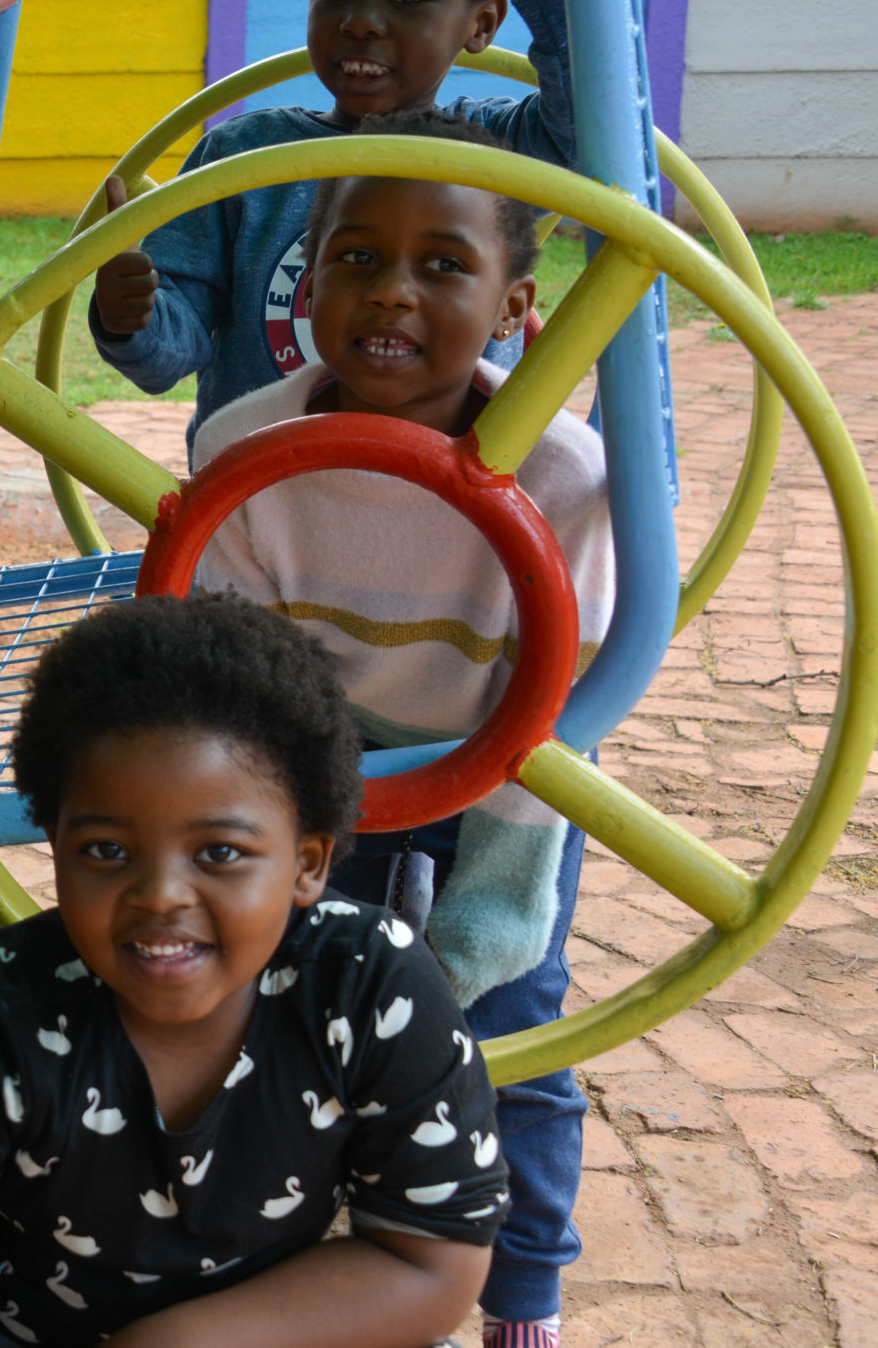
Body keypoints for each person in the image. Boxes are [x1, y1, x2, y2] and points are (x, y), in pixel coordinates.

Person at [0, 594, 506, 1348]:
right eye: (106, 850)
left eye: (220, 852)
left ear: (308, 863)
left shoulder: (369, 986)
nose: (161, 895)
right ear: (56, 845)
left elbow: (430, 1260)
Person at [191, 110, 611, 1348]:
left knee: (508, 1025)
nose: (392, 291)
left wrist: (491, 897)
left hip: (505, 761)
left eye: (442, 264)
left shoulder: (564, 477)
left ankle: (520, 1291)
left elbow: (560, 704)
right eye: (358, 257)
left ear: (515, 306)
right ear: (307, 283)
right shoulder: (243, 448)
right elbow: (236, 691)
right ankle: (275, 1250)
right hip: (317, 756)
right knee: (277, 1005)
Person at [91, 0, 640, 458]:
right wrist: (130, 314)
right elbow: (167, 355)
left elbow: (597, 138)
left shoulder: (490, 151)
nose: (360, 21)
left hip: (453, 500)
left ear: (481, 24)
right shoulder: (242, 158)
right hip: (268, 492)